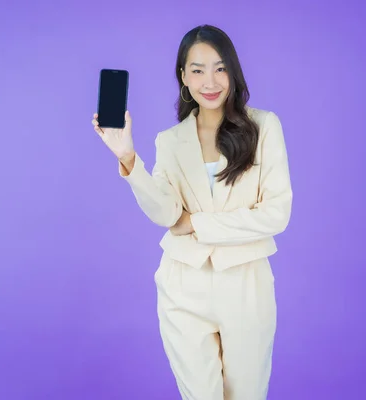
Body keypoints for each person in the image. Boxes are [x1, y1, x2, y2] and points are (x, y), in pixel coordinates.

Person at [92, 24, 292, 400]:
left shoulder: (264, 127)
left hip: (246, 285)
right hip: (183, 285)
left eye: (219, 68)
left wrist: (195, 224)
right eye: (197, 70)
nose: (209, 81)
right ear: (183, 77)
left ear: (232, 71)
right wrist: (128, 158)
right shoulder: (169, 141)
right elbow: (166, 212)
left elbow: (276, 214)